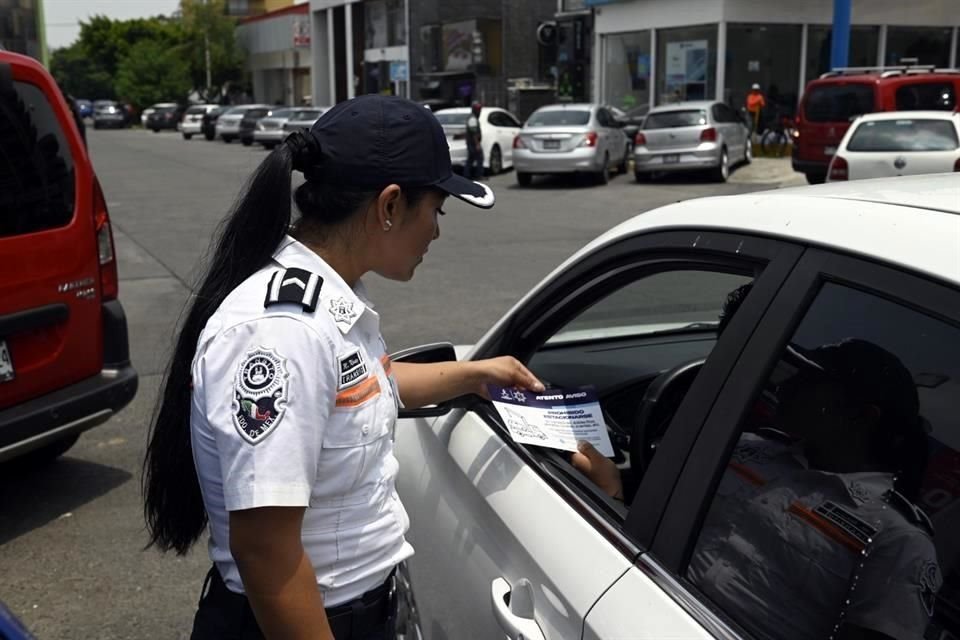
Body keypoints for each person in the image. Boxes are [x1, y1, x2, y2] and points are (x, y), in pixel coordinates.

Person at [142, 94, 544, 640]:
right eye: (437, 210)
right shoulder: (285, 332)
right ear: (390, 205)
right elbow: (266, 552)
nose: (437, 231)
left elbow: (361, 387)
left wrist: (475, 374)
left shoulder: (328, 300)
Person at [575, 336, 940, 640]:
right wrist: (614, 493)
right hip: (627, 604)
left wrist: (613, 497)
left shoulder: (896, 541)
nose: (786, 386)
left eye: (812, 384)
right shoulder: (748, 446)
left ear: (861, 417)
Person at [464, 101, 484, 180]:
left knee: (471, 159)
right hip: (473, 143)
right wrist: (477, 144)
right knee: (479, 158)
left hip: (471, 143)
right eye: (478, 110)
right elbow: (474, 133)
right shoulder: (472, 119)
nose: (480, 111)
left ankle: (467, 175)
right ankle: (478, 175)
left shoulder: (473, 118)